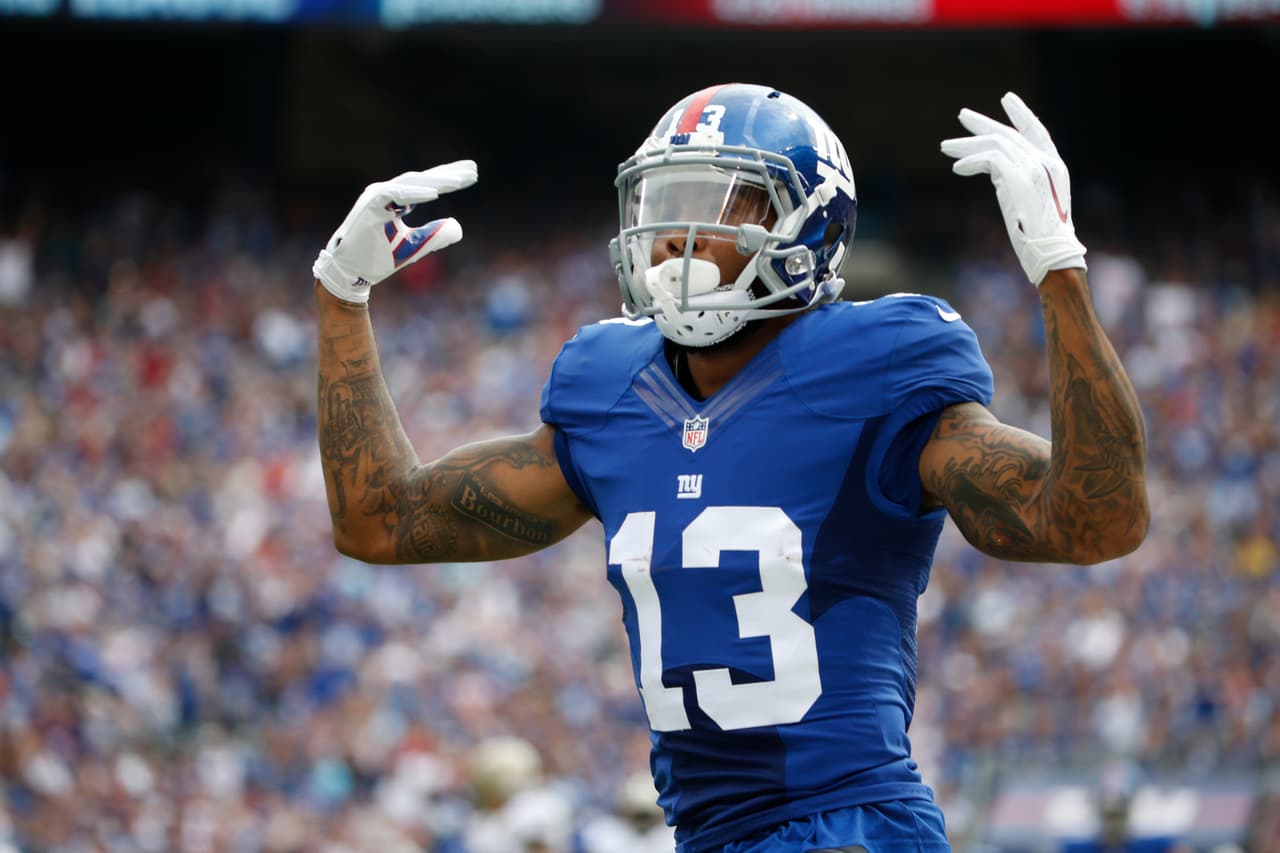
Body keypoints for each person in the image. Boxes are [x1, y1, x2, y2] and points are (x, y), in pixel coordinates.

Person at [311, 84, 1150, 852]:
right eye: (664, 203)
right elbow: (379, 521)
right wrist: (342, 294)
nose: (674, 233)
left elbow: (1093, 518)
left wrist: (1058, 270)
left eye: (716, 205)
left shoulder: (877, 370)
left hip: (850, 826)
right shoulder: (610, 392)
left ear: (807, 227)